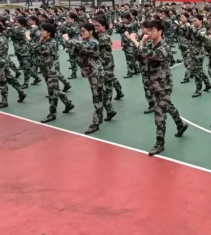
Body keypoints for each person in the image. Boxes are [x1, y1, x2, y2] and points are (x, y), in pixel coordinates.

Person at [126, 20, 188, 156]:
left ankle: (160, 143)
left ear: (160, 31)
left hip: (163, 84)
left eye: (152, 30)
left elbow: (151, 55)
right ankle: (180, 125)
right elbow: (137, 56)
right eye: (148, 30)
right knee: (167, 106)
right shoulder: (149, 44)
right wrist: (142, 43)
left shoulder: (164, 47)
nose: (149, 32)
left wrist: (135, 41)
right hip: (152, 83)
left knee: (159, 113)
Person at [63, 23, 111, 135]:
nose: (81, 33)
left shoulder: (93, 42)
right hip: (90, 72)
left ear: (91, 32)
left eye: (83, 31)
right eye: (80, 31)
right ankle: (110, 110)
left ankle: (96, 123)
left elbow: (76, 44)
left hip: (96, 73)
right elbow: (73, 49)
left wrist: (67, 39)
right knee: (100, 93)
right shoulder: (84, 42)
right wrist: (69, 43)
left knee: (97, 98)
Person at [27, 23, 74, 124]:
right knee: (55, 90)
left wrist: (29, 39)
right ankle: (68, 103)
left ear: (49, 33)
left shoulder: (51, 42)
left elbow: (37, 49)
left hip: (51, 70)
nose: (40, 32)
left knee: (52, 93)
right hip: (46, 69)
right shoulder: (44, 41)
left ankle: (52, 113)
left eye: (43, 31)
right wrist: (40, 42)